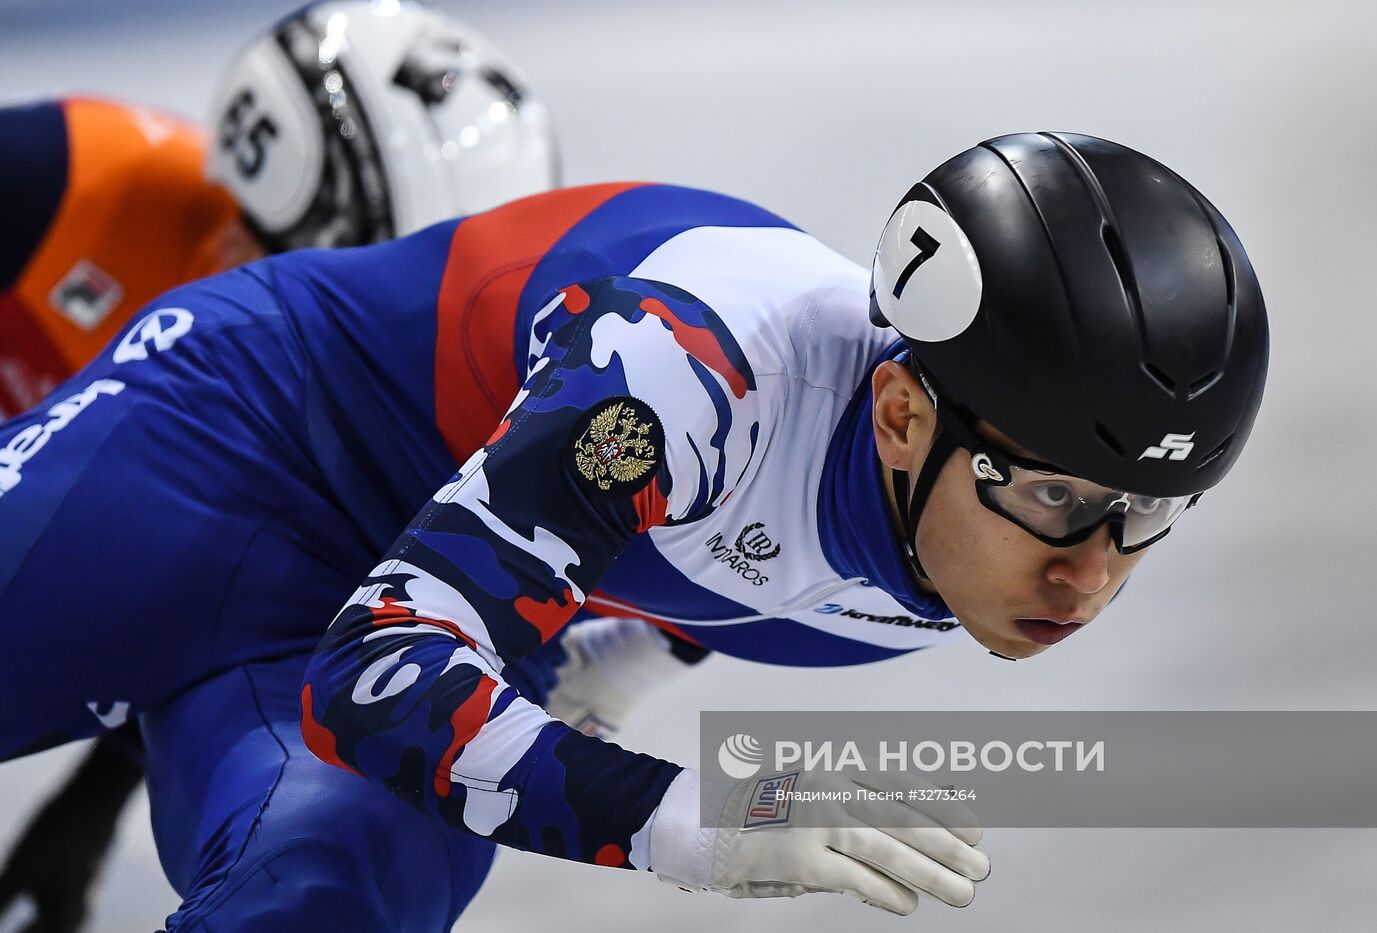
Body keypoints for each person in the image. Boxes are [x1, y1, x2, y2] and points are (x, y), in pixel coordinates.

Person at [0, 132, 1268, 929]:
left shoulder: (965, 531)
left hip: (427, 587)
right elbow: (379, 679)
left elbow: (695, 583)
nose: (1090, 574)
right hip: (232, 443)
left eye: (1144, 515)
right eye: (1052, 496)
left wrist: (597, 662)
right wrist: (695, 820)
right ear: (895, 412)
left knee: (326, 900)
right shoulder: (687, 372)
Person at [0, 2, 561, 929]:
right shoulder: (75, 183)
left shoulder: (388, 409)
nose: (324, 324)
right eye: (312, 275)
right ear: (242, 189)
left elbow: (217, 609)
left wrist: (91, 801)